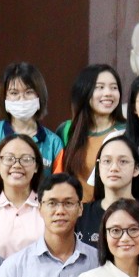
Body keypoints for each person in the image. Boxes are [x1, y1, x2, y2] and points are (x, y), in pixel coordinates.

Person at [73, 137, 139, 267]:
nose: (114, 168)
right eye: (107, 161)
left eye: (123, 161)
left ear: (136, 169)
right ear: (98, 168)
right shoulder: (81, 215)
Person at [55, 65, 127, 201]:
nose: (108, 93)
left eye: (114, 87)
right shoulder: (66, 130)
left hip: (111, 215)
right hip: (73, 215)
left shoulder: (126, 131)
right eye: (99, 87)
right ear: (84, 91)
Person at [0, 134, 46, 258]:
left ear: (36, 167)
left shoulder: (48, 207)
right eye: (9, 158)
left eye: (26, 159)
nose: (17, 165)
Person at [0, 62, 66, 169]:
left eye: (29, 92)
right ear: (4, 98)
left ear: (39, 96)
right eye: (14, 93)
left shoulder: (54, 143)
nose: (22, 99)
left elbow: (58, 183)